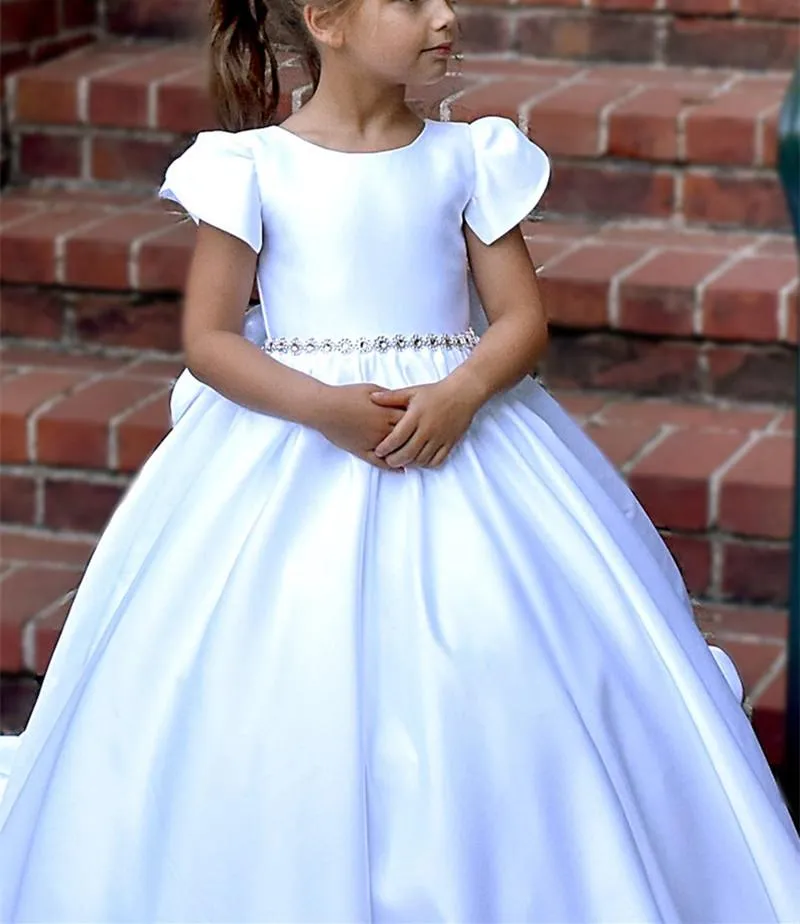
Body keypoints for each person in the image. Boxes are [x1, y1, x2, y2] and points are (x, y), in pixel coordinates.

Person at [0, 0, 798, 918]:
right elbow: (212, 342)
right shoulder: (252, 167)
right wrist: (323, 409)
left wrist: (461, 391)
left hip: (465, 443)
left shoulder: (467, 157)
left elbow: (521, 321)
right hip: (298, 446)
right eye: (412, 0)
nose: (445, 16)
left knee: (499, 666)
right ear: (327, 21)